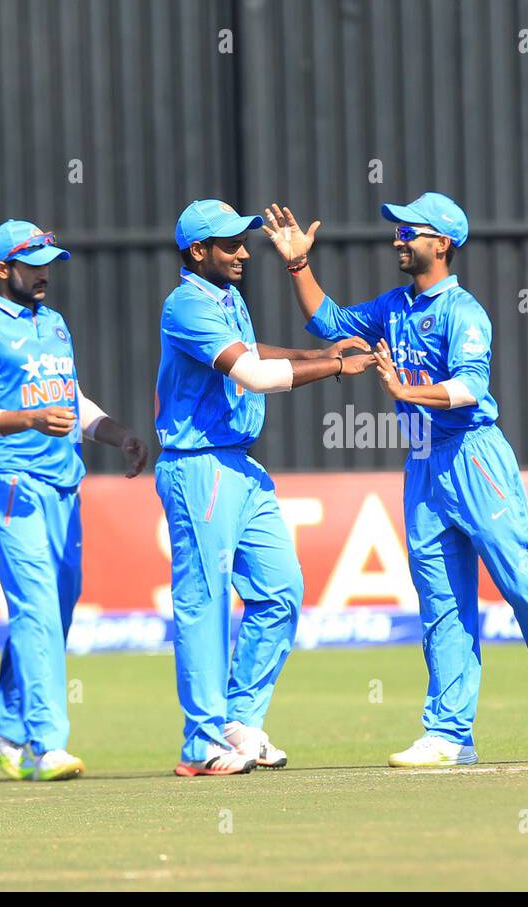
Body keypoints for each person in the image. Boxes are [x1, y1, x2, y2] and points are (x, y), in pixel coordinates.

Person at [263, 193, 528, 767]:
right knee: (442, 602)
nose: (398, 238)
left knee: (523, 584)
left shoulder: (464, 311)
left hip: (475, 458)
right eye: (398, 230)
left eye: (410, 231)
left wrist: (403, 392)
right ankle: (450, 734)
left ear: (442, 243)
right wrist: (298, 263)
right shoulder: (393, 306)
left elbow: (470, 387)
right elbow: (328, 323)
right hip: (424, 465)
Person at [156, 199, 374, 776]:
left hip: (239, 467)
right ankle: (201, 740)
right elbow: (251, 375)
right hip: (198, 465)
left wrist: (318, 352)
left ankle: (240, 724)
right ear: (197, 251)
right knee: (204, 603)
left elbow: (254, 354)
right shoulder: (185, 304)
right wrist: (334, 368)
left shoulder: (226, 298)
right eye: (231, 245)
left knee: (281, 589)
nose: (244, 253)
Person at [0, 220, 148, 781]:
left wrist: (115, 433)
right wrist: (27, 421)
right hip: (13, 479)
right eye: (33, 263)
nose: (44, 273)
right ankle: (47, 744)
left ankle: (0, 728)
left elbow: (71, 400)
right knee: (35, 606)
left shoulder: (54, 323)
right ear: (1, 269)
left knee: (58, 603)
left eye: (49, 262)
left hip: (64, 479)